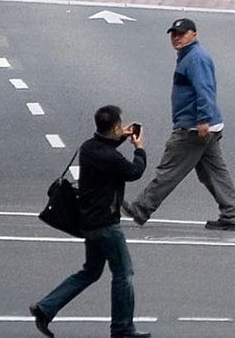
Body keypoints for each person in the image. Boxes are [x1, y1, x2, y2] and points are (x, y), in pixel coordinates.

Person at [32, 105, 150, 338]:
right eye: (120, 125)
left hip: (89, 222)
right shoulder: (109, 157)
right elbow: (134, 171)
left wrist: (119, 138)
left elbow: (106, 151)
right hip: (106, 224)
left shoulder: (89, 148)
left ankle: (46, 307)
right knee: (124, 275)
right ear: (116, 126)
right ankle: (122, 328)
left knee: (91, 271)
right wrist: (139, 149)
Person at [123, 18, 235, 231]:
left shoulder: (195, 58)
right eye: (173, 34)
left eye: (181, 34)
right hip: (205, 127)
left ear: (194, 34)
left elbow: (204, 89)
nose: (176, 38)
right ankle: (231, 214)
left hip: (193, 128)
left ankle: (141, 208)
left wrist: (203, 119)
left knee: (169, 170)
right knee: (214, 172)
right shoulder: (190, 56)